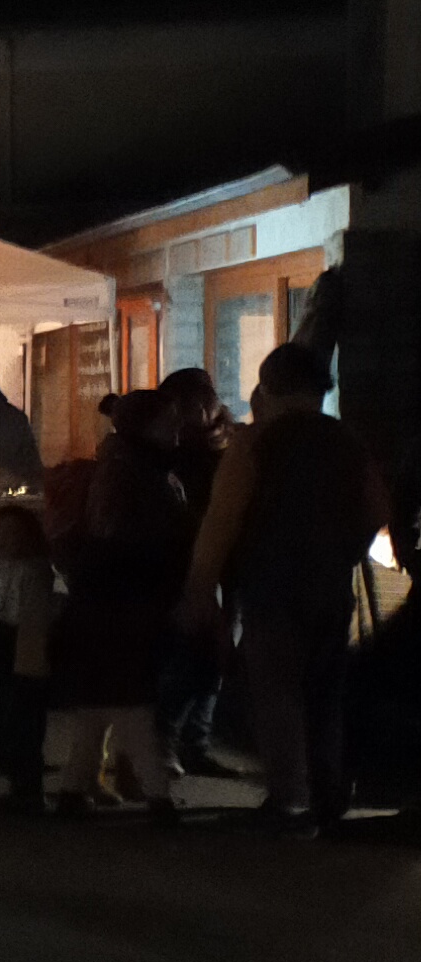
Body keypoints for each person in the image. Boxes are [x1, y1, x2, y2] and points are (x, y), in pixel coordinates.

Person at [180, 341, 392, 833]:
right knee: (325, 690)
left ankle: (287, 795)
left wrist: (200, 587)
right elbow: (376, 511)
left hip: (270, 582)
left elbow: (222, 520)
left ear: (268, 387)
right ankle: (327, 789)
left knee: (277, 690)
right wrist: (345, 549)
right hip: (330, 584)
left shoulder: (256, 444)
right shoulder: (347, 441)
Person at [50, 389, 190, 821]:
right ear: (145, 426)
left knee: (99, 709)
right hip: (124, 607)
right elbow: (120, 541)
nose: (177, 428)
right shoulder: (132, 470)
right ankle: (151, 792)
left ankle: (81, 785)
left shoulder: (133, 464)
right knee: (131, 707)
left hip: (110, 604)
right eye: (169, 421)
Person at [153, 366, 234, 777]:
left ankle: (193, 742)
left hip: (222, 558)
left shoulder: (221, 445)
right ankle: (172, 738)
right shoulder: (192, 445)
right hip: (194, 559)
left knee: (212, 655)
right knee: (196, 655)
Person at [0, 501, 57, 812]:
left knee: (23, 728)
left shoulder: (32, 572)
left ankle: (29, 789)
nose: (4, 540)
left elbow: (35, 621)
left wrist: (29, 666)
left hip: (21, 657)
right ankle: (19, 783)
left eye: (14, 534)